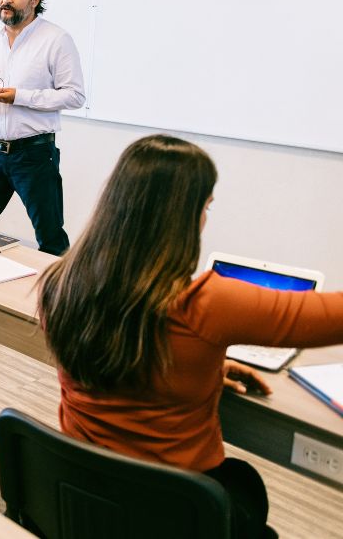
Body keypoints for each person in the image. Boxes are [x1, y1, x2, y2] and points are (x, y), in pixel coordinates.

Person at [38, 134, 343, 539]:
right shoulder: (206, 304)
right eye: (205, 207)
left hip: (83, 499)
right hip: (171, 516)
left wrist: (200, 365)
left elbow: (123, 354)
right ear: (183, 216)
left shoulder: (60, 283)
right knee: (244, 490)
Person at [0, 0, 85, 256]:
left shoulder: (56, 39)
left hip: (34, 154)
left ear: (35, 0)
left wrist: (21, 97)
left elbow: (75, 95)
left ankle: (57, 299)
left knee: (50, 237)